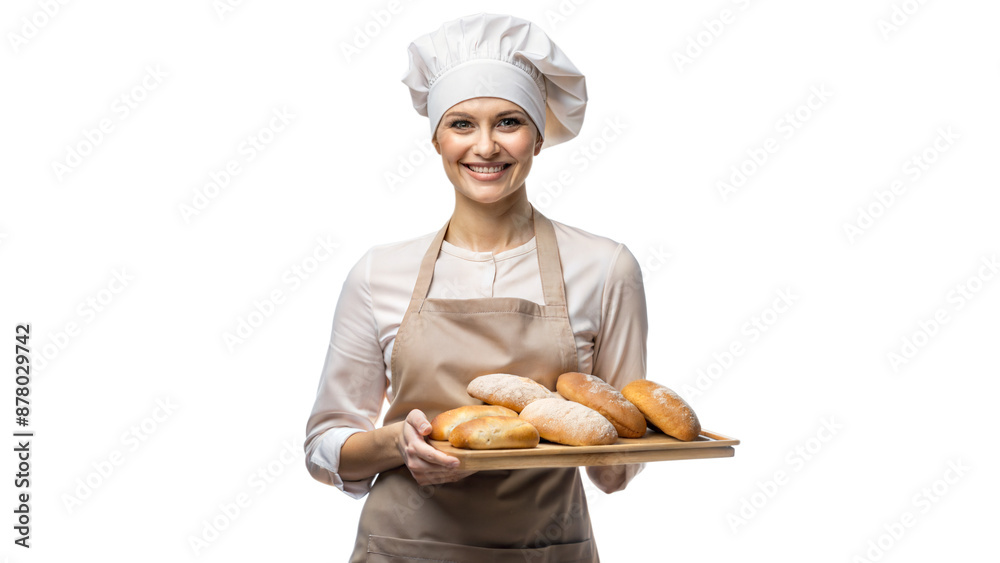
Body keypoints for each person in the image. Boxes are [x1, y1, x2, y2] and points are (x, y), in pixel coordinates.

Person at [304, 13, 648, 562]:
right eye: (462, 124)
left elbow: (617, 470)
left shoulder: (606, 268)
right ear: (436, 137)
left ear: (538, 136)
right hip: (403, 547)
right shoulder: (379, 273)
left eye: (508, 122)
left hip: (546, 549)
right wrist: (395, 444)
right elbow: (325, 446)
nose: (485, 147)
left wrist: (612, 444)